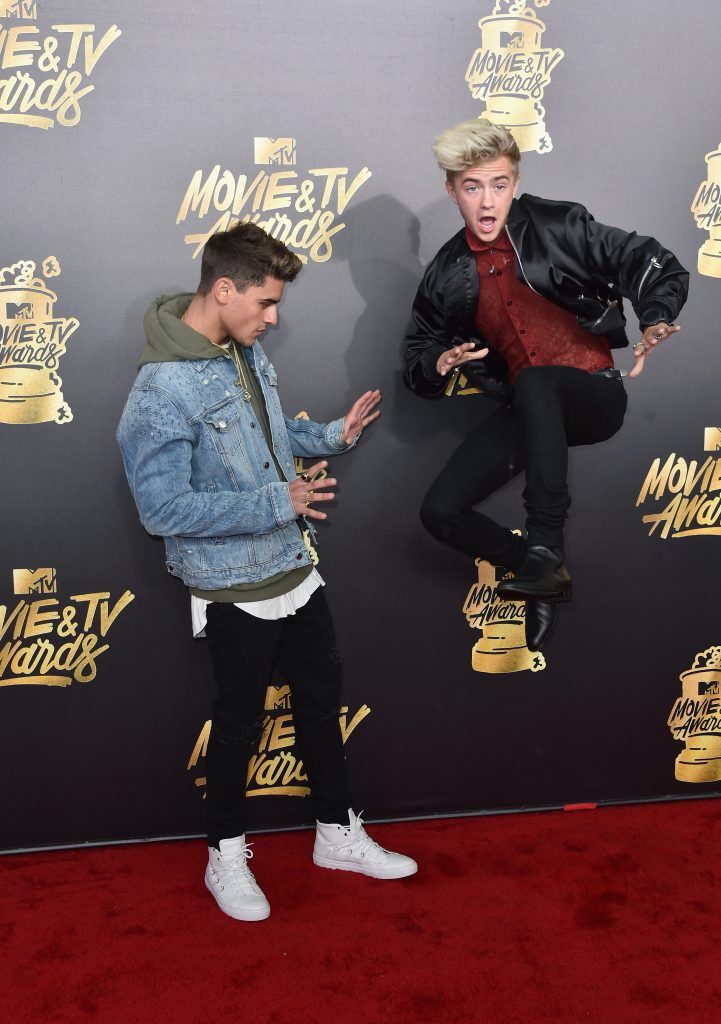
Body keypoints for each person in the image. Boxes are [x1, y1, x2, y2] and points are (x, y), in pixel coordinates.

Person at [117, 223, 417, 923]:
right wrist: (273, 501)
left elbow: (270, 433)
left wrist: (332, 437)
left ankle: (335, 835)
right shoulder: (158, 393)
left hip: (294, 566)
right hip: (232, 586)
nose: (274, 318)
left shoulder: (240, 350)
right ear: (224, 290)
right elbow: (162, 508)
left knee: (319, 707)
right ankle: (225, 854)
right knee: (238, 726)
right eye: (266, 303)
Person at [404, 119, 688, 650]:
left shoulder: (558, 224)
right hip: (529, 405)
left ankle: (544, 546)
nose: (487, 202)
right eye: (472, 187)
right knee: (440, 512)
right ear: (451, 190)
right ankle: (541, 573)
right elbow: (417, 355)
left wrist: (654, 316)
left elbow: (649, 261)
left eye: (499, 185)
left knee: (536, 382)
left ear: (515, 182)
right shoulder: (447, 271)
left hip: (594, 394)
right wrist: (439, 363)